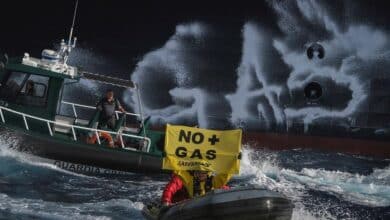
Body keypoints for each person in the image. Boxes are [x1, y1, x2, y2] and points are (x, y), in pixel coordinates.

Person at [161, 170, 231, 206]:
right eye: (198, 172)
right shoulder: (185, 178)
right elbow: (170, 188)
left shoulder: (213, 182)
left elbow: (225, 177)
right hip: (181, 205)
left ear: (208, 173)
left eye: (203, 172)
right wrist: (166, 201)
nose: (201, 175)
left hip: (204, 206)